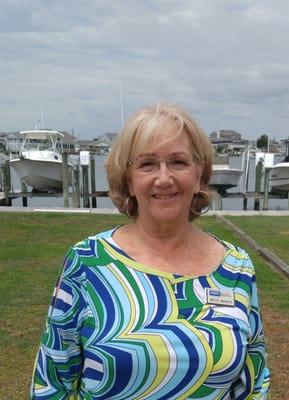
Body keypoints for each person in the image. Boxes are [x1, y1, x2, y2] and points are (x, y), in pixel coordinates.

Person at [31, 103, 270, 399]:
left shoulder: (236, 268)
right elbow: (52, 382)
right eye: (147, 164)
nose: (164, 178)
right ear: (128, 179)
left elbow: (254, 383)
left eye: (179, 162)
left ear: (199, 174)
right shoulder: (87, 263)